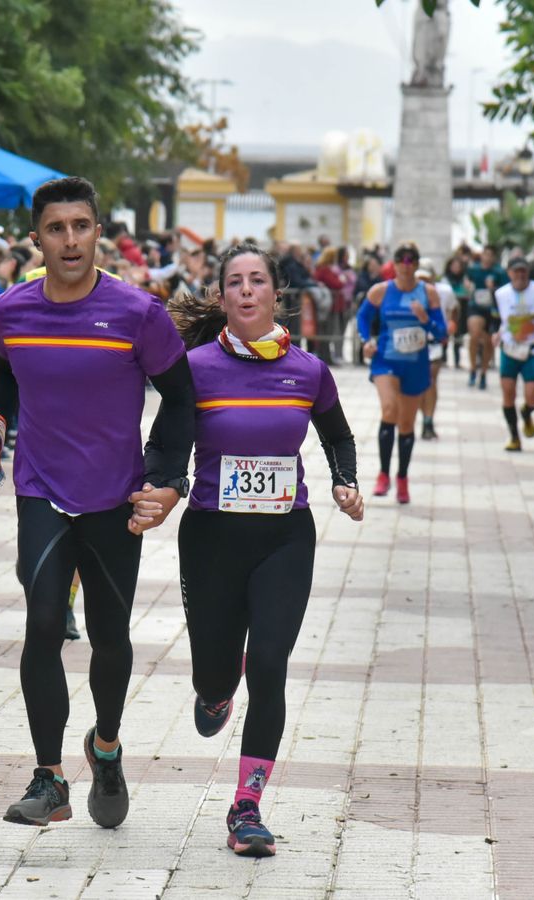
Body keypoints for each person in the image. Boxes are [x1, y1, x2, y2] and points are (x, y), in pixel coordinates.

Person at [0, 176, 195, 830]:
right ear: (36, 238)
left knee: (109, 637)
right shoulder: (10, 311)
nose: (69, 240)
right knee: (42, 623)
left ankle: (107, 746)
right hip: (41, 490)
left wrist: (166, 479)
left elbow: (181, 400)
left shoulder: (138, 313)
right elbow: (3, 384)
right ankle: (49, 778)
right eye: (56, 228)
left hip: (114, 500)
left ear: (99, 233)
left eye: (81, 227)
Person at [157, 243, 362, 856]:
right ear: (221, 299)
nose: (247, 291)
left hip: (285, 538)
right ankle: (216, 686)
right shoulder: (191, 368)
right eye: (235, 283)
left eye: (258, 281)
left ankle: (247, 805)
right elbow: (165, 445)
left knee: (269, 664)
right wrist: (158, 488)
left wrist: (345, 482)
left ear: (277, 294)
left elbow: (338, 435)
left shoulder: (308, 371)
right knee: (217, 671)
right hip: (211, 539)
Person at [356, 242, 446, 502]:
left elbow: (441, 334)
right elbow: (362, 318)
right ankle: (383, 474)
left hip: (416, 364)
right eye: (401, 261)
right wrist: (366, 340)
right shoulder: (381, 291)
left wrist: (425, 319)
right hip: (386, 361)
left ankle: (402, 478)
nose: (406, 266)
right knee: (389, 410)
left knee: (407, 423)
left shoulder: (429, 294)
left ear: (417, 265)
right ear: (394, 265)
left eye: (411, 261)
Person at [495, 257, 534, 451]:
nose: (520, 275)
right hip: (509, 347)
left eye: (523, 271)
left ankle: (527, 413)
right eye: (516, 272)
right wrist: (496, 333)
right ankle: (514, 437)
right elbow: (495, 317)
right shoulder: (501, 294)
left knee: (533, 396)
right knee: (508, 393)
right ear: (509, 273)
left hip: (532, 348)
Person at [417, 258, 456, 440]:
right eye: (420, 278)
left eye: (426, 278)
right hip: (414, 345)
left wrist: (450, 322)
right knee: (417, 385)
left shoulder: (444, 291)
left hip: (434, 344)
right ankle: (422, 417)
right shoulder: (408, 292)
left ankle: (428, 421)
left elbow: (454, 307)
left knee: (430, 381)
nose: (423, 282)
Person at [464, 246, 506, 389]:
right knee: (474, 335)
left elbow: (506, 290)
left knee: (488, 342)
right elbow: (466, 281)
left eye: (490, 255)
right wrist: (468, 285)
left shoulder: (499, 272)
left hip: (492, 309)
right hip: (476, 306)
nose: (487, 257)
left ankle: (483, 372)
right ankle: (472, 368)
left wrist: (494, 288)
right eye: (485, 254)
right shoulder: (473, 269)